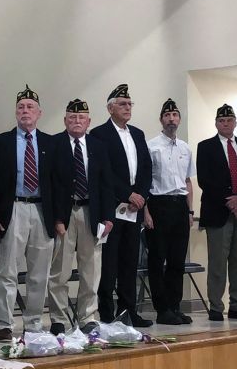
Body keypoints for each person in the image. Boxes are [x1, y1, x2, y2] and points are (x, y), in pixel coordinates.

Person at [0, 85, 55, 341]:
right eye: (21, 107)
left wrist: (58, 218)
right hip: (12, 209)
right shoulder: (0, 142)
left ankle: (34, 324)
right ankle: (4, 325)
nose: (25, 111)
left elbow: (58, 184)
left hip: (41, 210)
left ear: (39, 113)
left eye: (30, 107)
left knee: (39, 273)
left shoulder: (51, 143)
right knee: (7, 270)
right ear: (15, 112)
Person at [48, 98, 115, 335]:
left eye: (81, 118)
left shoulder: (98, 146)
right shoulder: (55, 144)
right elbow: (52, 185)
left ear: (89, 121)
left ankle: (87, 315)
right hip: (65, 215)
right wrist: (56, 218)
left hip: (91, 213)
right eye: (72, 117)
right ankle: (59, 317)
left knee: (91, 269)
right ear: (65, 120)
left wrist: (108, 217)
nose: (77, 121)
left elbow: (107, 184)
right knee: (60, 269)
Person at [90, 84, 153, 327]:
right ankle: (107, 313)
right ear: (110, 108)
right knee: (109, 263)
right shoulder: (99, 134)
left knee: (129, 261)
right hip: (112, 208)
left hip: (135, 209)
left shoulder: (137, 133)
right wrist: (128, 194)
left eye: (129, 104)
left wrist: (142, 195)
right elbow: (104, 173)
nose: (127, 108)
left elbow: (147, 168)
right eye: (122, 104)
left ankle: (128, 312)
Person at [144, 98, 195, 325]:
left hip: (180, 207)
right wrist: (146, 212)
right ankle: (162, 309)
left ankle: (175, 306)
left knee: (177, 261)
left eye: (174, 115)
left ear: (179, 119)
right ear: (161, 120)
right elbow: (144, 182)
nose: (171, 119)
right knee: (157, 259)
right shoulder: (151, 145)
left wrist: (190, 211)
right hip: (158, 205)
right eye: (167, 115)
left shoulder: (185, 147)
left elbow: (188, 181)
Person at [197, 104, 237, 321]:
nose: (226, 124)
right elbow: (206, 180)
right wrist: (231, 201)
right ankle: (216, 307)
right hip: (218, 211)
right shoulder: (206, 147)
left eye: (229, 120)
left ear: (235, 122)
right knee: (217, 262)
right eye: (221, 121)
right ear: (216, 124)